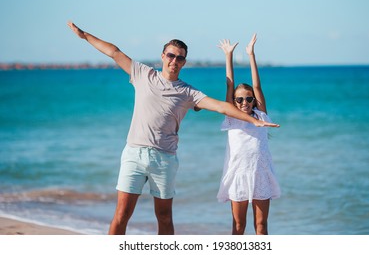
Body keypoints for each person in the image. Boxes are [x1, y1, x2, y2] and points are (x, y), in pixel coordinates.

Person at [67, 22, 280, 235]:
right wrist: (85, 35)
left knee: (165, 218)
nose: (174, 61)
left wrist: (254, 120)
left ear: (184, 62)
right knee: (122, 215)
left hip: (165, 159)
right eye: (170, 55)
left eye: (179, 58)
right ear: (162, 56)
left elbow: (220, 106)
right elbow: (114, 52)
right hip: (134, 153)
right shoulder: (143, 74)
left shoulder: (188, 93)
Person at [216, 34, 281, 235]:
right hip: (238, 176)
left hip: (260, 174)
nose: (244, 102)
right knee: (238, 226)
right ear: (234, 102)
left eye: (248, 99)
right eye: (239, 99)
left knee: (261, 226)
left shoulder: (261, 115)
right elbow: (229, 84)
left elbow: (258, 86)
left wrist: (251, 54)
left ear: (254, 100)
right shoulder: (231, 117)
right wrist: (229, 56)